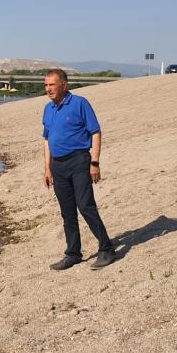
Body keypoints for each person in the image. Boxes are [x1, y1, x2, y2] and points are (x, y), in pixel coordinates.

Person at [42, 69, 117, 270]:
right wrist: (47, 169)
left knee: (85, 206)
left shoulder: (80, 103)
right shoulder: (48, 109)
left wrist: (95, 162)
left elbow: (95, 132)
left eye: (52, 84)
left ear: (64, 85)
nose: (48, 89)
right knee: (67, 212)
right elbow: (47, 140)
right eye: (46, 85)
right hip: (58, 165)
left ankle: (107, 248)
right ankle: (73, 253)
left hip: (79, 161)